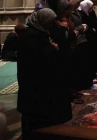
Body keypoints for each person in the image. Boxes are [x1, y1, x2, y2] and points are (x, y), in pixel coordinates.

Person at [18, 9, 72, 139]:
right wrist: (52, 48)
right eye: (48, 22)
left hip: (40, 79)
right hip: (33, 80)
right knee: (34, 113)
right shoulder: (31, 35)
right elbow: (35, 58)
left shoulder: (38, 30)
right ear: (42, 20)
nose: (50, 25)